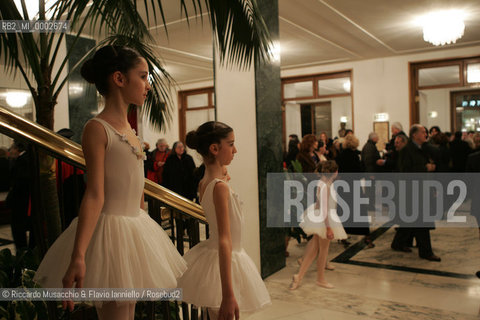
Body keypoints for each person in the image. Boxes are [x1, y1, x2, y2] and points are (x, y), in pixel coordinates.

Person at [34, 45, 187, 319]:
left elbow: (136, 186)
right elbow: (94, 194)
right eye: (142, 76)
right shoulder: (97, 128)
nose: (147, 86)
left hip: (133, 229)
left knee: (126, 310)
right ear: (119, 79)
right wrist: (79, 255)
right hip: (110, 233)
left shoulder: (129, 129)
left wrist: (143, 230)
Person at [177, 121, 271, 320]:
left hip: (220, 256)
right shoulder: (219, 187)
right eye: (231, 144)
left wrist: (223, 175)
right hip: (225, 260)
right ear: (214, 148)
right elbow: (224, 239)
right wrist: (228, 295)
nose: (235, 150)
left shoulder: (206, 182)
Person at [290, 160, 346, 290]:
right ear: (334, 172)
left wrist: (312, 214)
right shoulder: (326, 186)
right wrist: (328, 227)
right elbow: (325, 209)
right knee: (323, 251)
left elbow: (318, 203)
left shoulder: (323, 183)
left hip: (320, 217)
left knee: (314, 250)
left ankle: (299, 276)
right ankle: (320, 279)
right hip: (325, 219)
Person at [391, 124, 441, 261]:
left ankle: (397, 243)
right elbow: (405, 171)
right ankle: (426, 251)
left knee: (411, 220)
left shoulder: (422, 149)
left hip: (423, 188)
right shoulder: (407, 150)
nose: (426, 134)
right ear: (415, 135)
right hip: (412, 191)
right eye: (423, 132)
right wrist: (425, 168)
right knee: (421, 222)